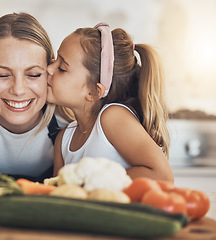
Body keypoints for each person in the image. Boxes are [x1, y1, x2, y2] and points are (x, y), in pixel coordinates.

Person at [47, 23, 174, 182]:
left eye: (62, 68)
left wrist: (88, 182)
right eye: (55, 59)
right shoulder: (63, 140)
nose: (49, 69)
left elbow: (162, 175)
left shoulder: (112, 118)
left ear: (93, 92)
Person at [0, 12, 72, 183]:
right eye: (3, 75)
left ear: (49, 72)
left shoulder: (69, 125)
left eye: (34, 74)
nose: (18, 90)